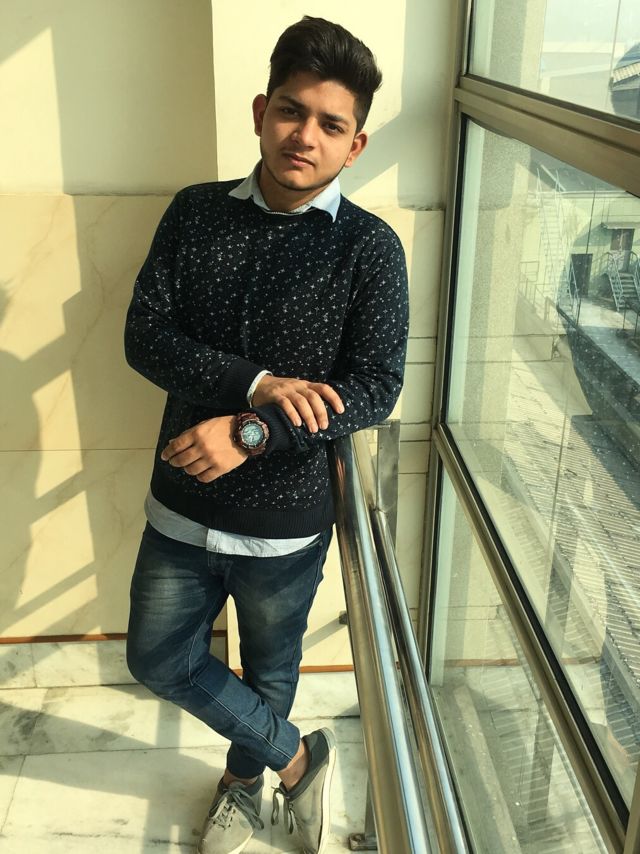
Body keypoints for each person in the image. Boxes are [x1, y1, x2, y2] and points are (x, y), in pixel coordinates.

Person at [124, 15, 408, 854]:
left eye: (330, 124)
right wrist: (254, 383)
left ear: (355, 146)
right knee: (156, 658)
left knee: (272, 671)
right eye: (292, 110)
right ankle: (297, 757)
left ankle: (242, 786)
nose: (304, 136)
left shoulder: (370, 250)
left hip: (284, 524)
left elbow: (374, 388)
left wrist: (250, 430)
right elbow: (145, 336)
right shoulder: (194, 213)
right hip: (181, 502)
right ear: (261, 111)